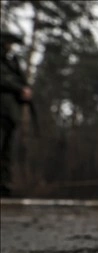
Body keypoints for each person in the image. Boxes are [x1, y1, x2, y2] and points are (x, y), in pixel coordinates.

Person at [0, 30, 32, 198]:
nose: (10, 47)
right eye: (8, 43)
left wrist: (24, 93)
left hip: (10, 113)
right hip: (2, 111)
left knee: (6, 151)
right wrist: (19, 88)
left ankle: (4, 185)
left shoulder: (12, 62)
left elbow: (18, 82)